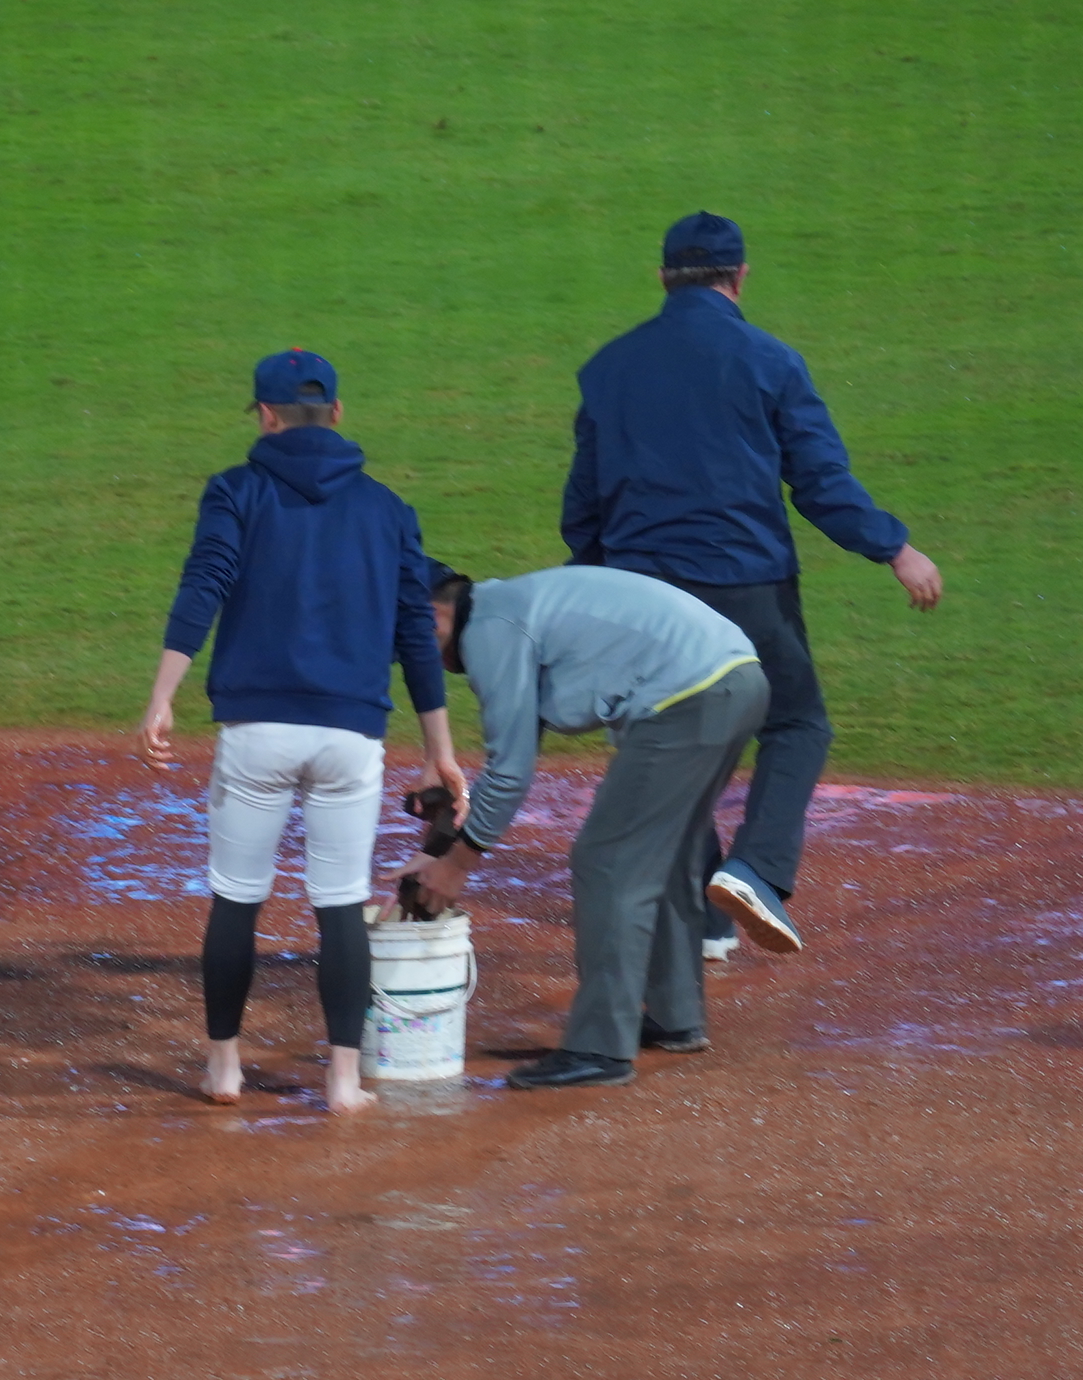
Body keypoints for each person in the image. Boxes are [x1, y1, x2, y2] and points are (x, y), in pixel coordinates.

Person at [565, 211, 943, 959]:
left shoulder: (608, 368)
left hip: (641, 595)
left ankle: (705, 916)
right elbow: (820, 483)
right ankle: (757, 871)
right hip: (746, 588)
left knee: (670, 735)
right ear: (739, 278)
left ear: (663, 276)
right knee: (798, 724)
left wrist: (598, 590)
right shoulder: (770, 361)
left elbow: (584, 505)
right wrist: (893, 547)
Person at [135, 349, 464, 1114]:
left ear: (266, 415)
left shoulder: (236, 491)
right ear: (339, 415)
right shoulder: (389, 510)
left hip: (256, 733)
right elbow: (416, 632)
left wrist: (162, 696)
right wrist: (440, 749)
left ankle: (224, 1070)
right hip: (351, 737)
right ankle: (344, 1082)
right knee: (340, 904)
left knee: (237, 900)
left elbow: (204, 584)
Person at [394, 564, 768, 1090]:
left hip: (689, 698)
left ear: (433, 618)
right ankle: (675, 1016)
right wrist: (443, 841)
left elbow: (510, 770)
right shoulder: (512, 604)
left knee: (606, 860)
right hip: (735, 681)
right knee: (672, 855)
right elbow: (519, 743)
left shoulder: (490, 630)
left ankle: (599, 1048)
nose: (432, 667)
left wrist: (456, 864)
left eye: (416, 649)